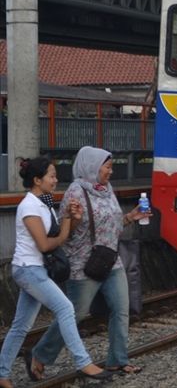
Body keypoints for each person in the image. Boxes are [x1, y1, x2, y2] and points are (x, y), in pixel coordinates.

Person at [31, 147, 145, 379]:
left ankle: (117, 361)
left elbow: (110, 227)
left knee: (121, 310)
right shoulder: (76, 192)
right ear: (92, 167)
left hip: (111, 261)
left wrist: (130, 218)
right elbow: (66, 232)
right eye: (107, 167)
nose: (111, 172)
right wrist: (74, 219)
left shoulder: (106, 190)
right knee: (75, 313)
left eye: (111, 167)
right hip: (84, 264)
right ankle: (40, 354)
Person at [0, 157, 110, 387]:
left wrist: (70, 217)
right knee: (66, 308)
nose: (55, 180)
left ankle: (2, 375)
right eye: (51, 176)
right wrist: (64, 229)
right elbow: (46, 244)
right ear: (37, 180)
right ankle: (83, 362)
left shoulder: (44, 202)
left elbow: (61, 233)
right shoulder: (29, 206)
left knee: (21, 326)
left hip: (35, 269)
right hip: (28, 269)